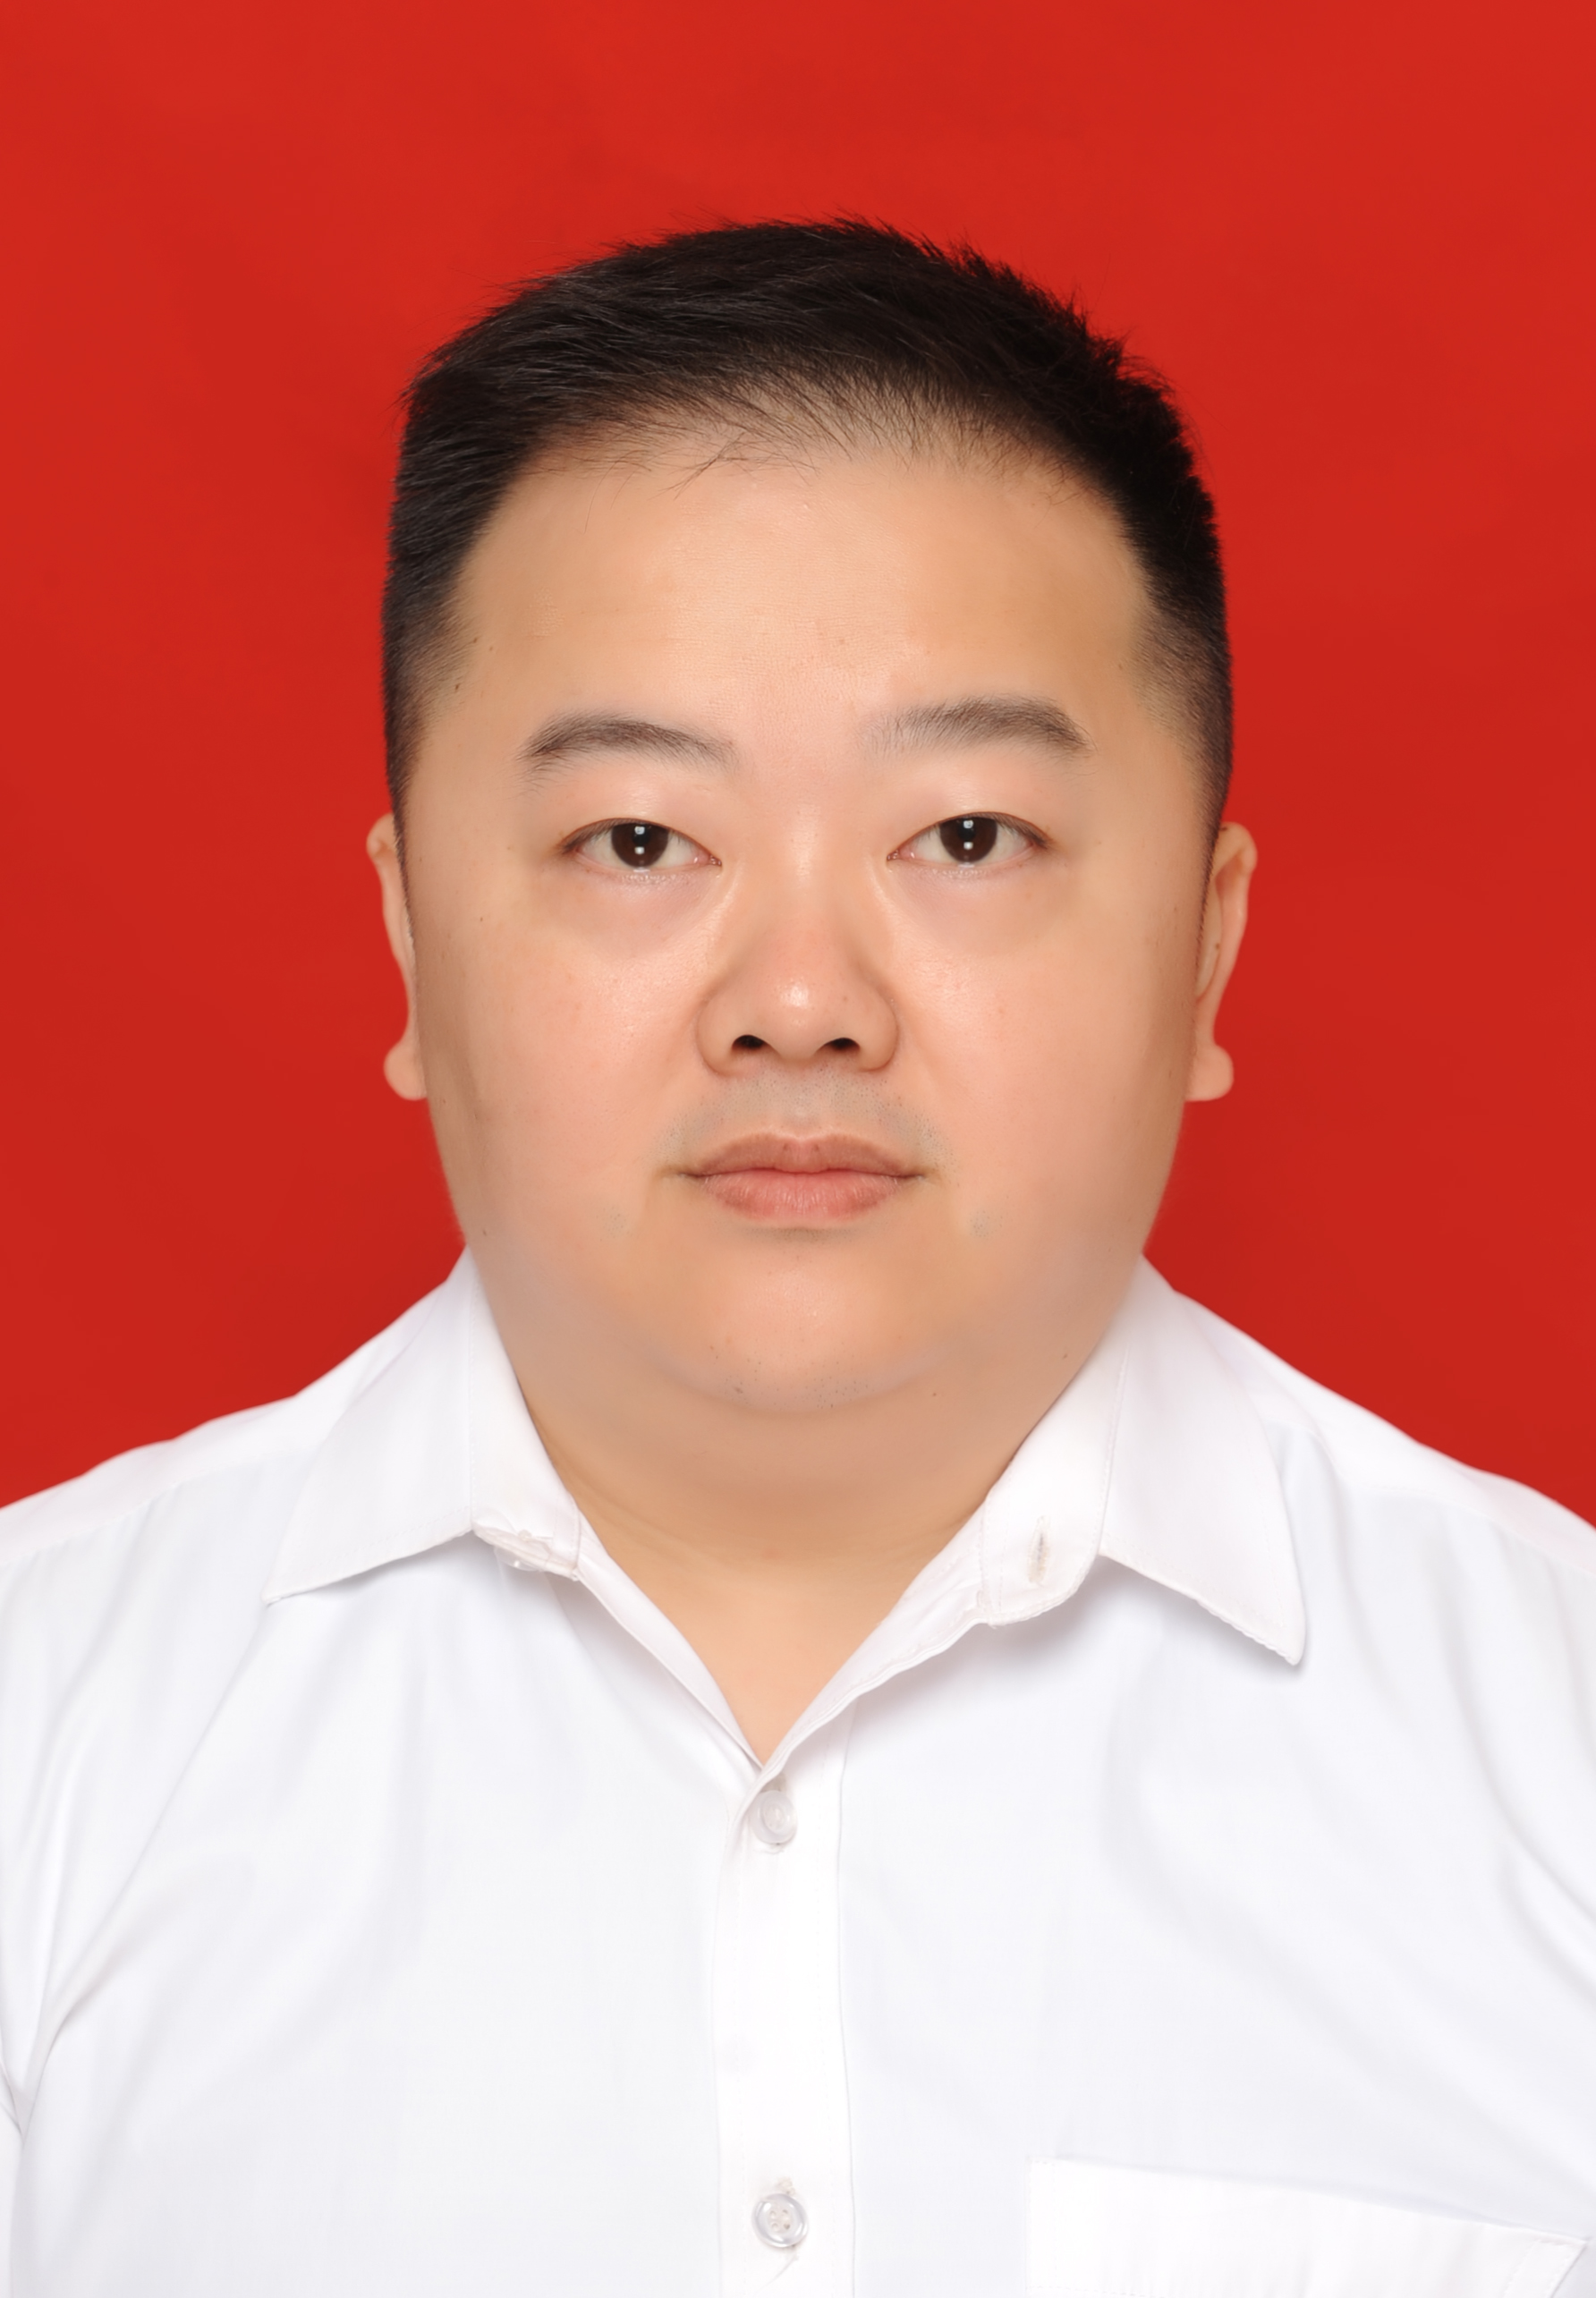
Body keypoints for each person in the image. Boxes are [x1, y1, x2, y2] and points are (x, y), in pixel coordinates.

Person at [1, 220, 1592, 2298]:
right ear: (409, 936)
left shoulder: (1550, 1744)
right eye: (638, 841)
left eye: (964, 837)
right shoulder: (48, 1728)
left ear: (1204, 945)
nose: (800, 1003)